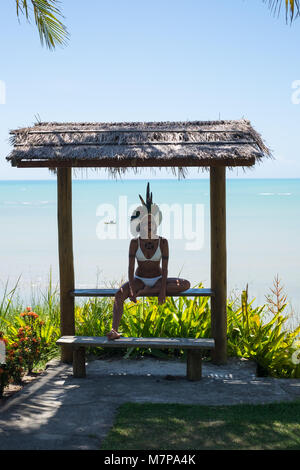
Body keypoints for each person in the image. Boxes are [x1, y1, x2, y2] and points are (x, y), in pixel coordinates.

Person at [106, 183, 190, 340]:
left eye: (151, 223)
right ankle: (114, 330)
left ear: (156, 226)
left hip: (159, 280)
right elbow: (130, 269)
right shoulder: (134, 243)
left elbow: (165, 269)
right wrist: (131, 288)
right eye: (145, 223)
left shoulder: (163, 242)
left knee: (185, 284)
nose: (148, 226)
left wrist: (163, 289)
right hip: (139, 280)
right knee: (119, 294)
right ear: (140, 226)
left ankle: (148, 291)